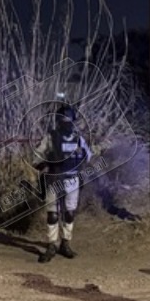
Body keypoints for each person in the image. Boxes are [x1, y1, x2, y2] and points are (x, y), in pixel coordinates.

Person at [26, 103, 90, 263]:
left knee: (69, 212)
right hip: (54, 178)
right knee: (53, 214)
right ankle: (51, 245)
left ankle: (65, 243)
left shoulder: (78, 139)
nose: (66, 124)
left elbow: (87, 156)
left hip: (72, 179)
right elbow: (36, 156)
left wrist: (81, 158)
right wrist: (45, 165)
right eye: (64, 121)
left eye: (69, 121)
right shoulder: (51, 137)